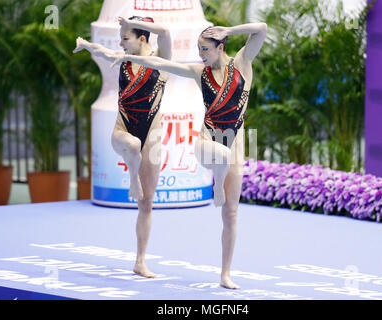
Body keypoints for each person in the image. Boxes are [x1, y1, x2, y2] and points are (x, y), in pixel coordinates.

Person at [107, 22, 267, 289]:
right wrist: (128, 56)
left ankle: (225, 274)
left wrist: (229, 29)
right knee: (221, 156)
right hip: (206, 142)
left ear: (221, 46)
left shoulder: (242, 64)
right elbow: (163, 64)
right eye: (198, 49)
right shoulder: (198, 71)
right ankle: (217, 179)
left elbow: (260, 28)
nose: (202, 54)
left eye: (206, 49)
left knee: (231, 213)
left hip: (234, 144)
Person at [73, 16, 172, 278]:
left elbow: (164, 31)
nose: (120, 42)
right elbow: (103, 50)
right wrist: (85, 44)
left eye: (125, 37)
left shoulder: (162, 59)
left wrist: (133, 21)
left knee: (147, 204)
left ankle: (140, 260)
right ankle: (132, 178)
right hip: (122, 131)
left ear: (142, 38)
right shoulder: (124, 58)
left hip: (151, 140)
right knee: (132, 142)